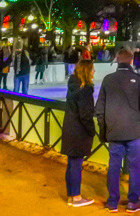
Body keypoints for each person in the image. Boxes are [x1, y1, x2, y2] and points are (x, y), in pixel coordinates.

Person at [95, 48, 140, 213]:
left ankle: (112, 202)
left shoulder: (108, 80)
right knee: (135, 167)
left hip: (114, 130)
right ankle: (133, 202)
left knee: (114, 166)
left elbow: (100, 108)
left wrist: (102, 129)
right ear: (131, 61)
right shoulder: (138, 79)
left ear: (116, 60)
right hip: (134, 130)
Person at [62, 60, 96, 207]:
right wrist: (92, 130)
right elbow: (86, 115)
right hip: (79, 130)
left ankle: (71, 195)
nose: (94, 72)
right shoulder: (85, 89)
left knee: (71, 164)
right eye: (92, 69)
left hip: (69, 127)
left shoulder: (73, 85)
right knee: (76, 165)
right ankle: (76, 197)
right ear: (87, 71)